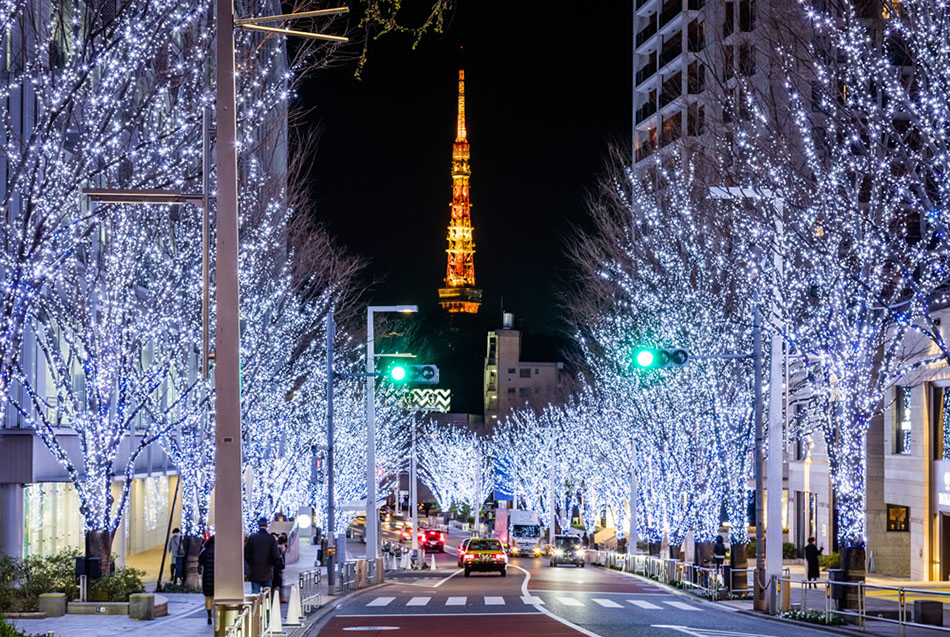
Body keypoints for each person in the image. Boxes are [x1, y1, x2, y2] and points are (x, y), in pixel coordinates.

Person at [244, 518, 280, 593]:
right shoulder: (271, 539)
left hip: (255, 571)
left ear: (258, 525)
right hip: (267, 571)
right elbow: (275, 555)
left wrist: (251, 563)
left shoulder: (252, 537)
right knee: (267, 595)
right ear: (267, 525)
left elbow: (246, 554)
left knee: (255, 595)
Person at [198, 536, 215, 625]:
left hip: (207, 577)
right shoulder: (220, 550)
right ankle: (218, 615)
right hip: (216, 577)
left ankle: (209, 616)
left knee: (208, 597)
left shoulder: (205, 550)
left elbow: (200, 561)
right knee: (216, 597)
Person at [271, 532, 288, 600]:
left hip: (277, 567)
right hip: (276, 567)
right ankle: (280, 597)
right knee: (278, 583)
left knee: (276, 583)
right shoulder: (279, 546)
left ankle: (275, 597)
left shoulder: (279, 546)